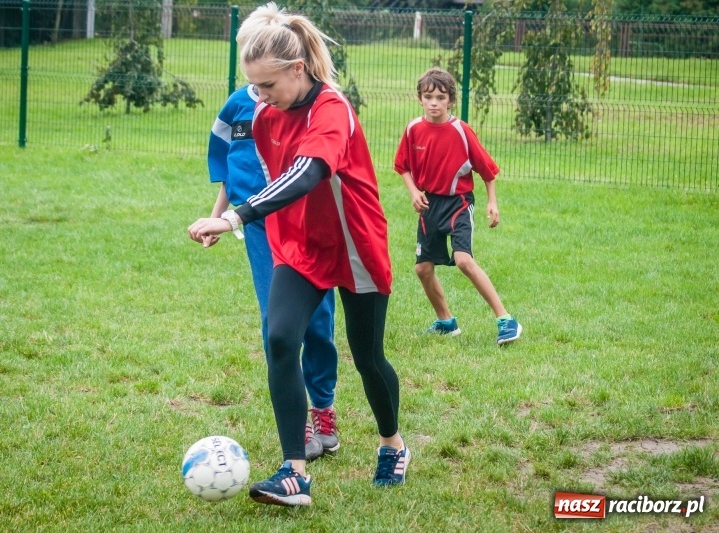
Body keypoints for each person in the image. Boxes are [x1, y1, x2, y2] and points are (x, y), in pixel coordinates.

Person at [189, 2, 408, 507]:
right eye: (254, 86)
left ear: (297, 69)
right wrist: (227, 211)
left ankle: (392, 444)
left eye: (266, 86)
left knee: (367, 356)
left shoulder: (332, 109)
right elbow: (269, 179)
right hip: (298, 247)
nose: (257, 96)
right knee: (281, 338)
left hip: (354, 247)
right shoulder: (265, 114)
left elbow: (308, 172)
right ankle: (293, 472)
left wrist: (235, 217)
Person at [205, 84, 340, 461]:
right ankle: (298, 421)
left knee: (318, 320)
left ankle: (324, 405)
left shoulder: (310, 102)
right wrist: (218, 216)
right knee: (276, 321)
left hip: (306, 223)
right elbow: (229, 170)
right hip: (259, 226)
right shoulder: (236, 106)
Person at [394, 67, 522, 346]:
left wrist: (492, 202)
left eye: (440, 97)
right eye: (428, 97)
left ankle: (505, 319)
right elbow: (401, 166)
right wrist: (413, 191)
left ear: (450, 99)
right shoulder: (413, 129)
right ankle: (446, 322)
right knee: (422, 269)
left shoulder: (461, 131)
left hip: (459, 203)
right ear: (420, 98)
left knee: (463, 260)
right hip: (429, 204)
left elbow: (487, 170)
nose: (434, 103)